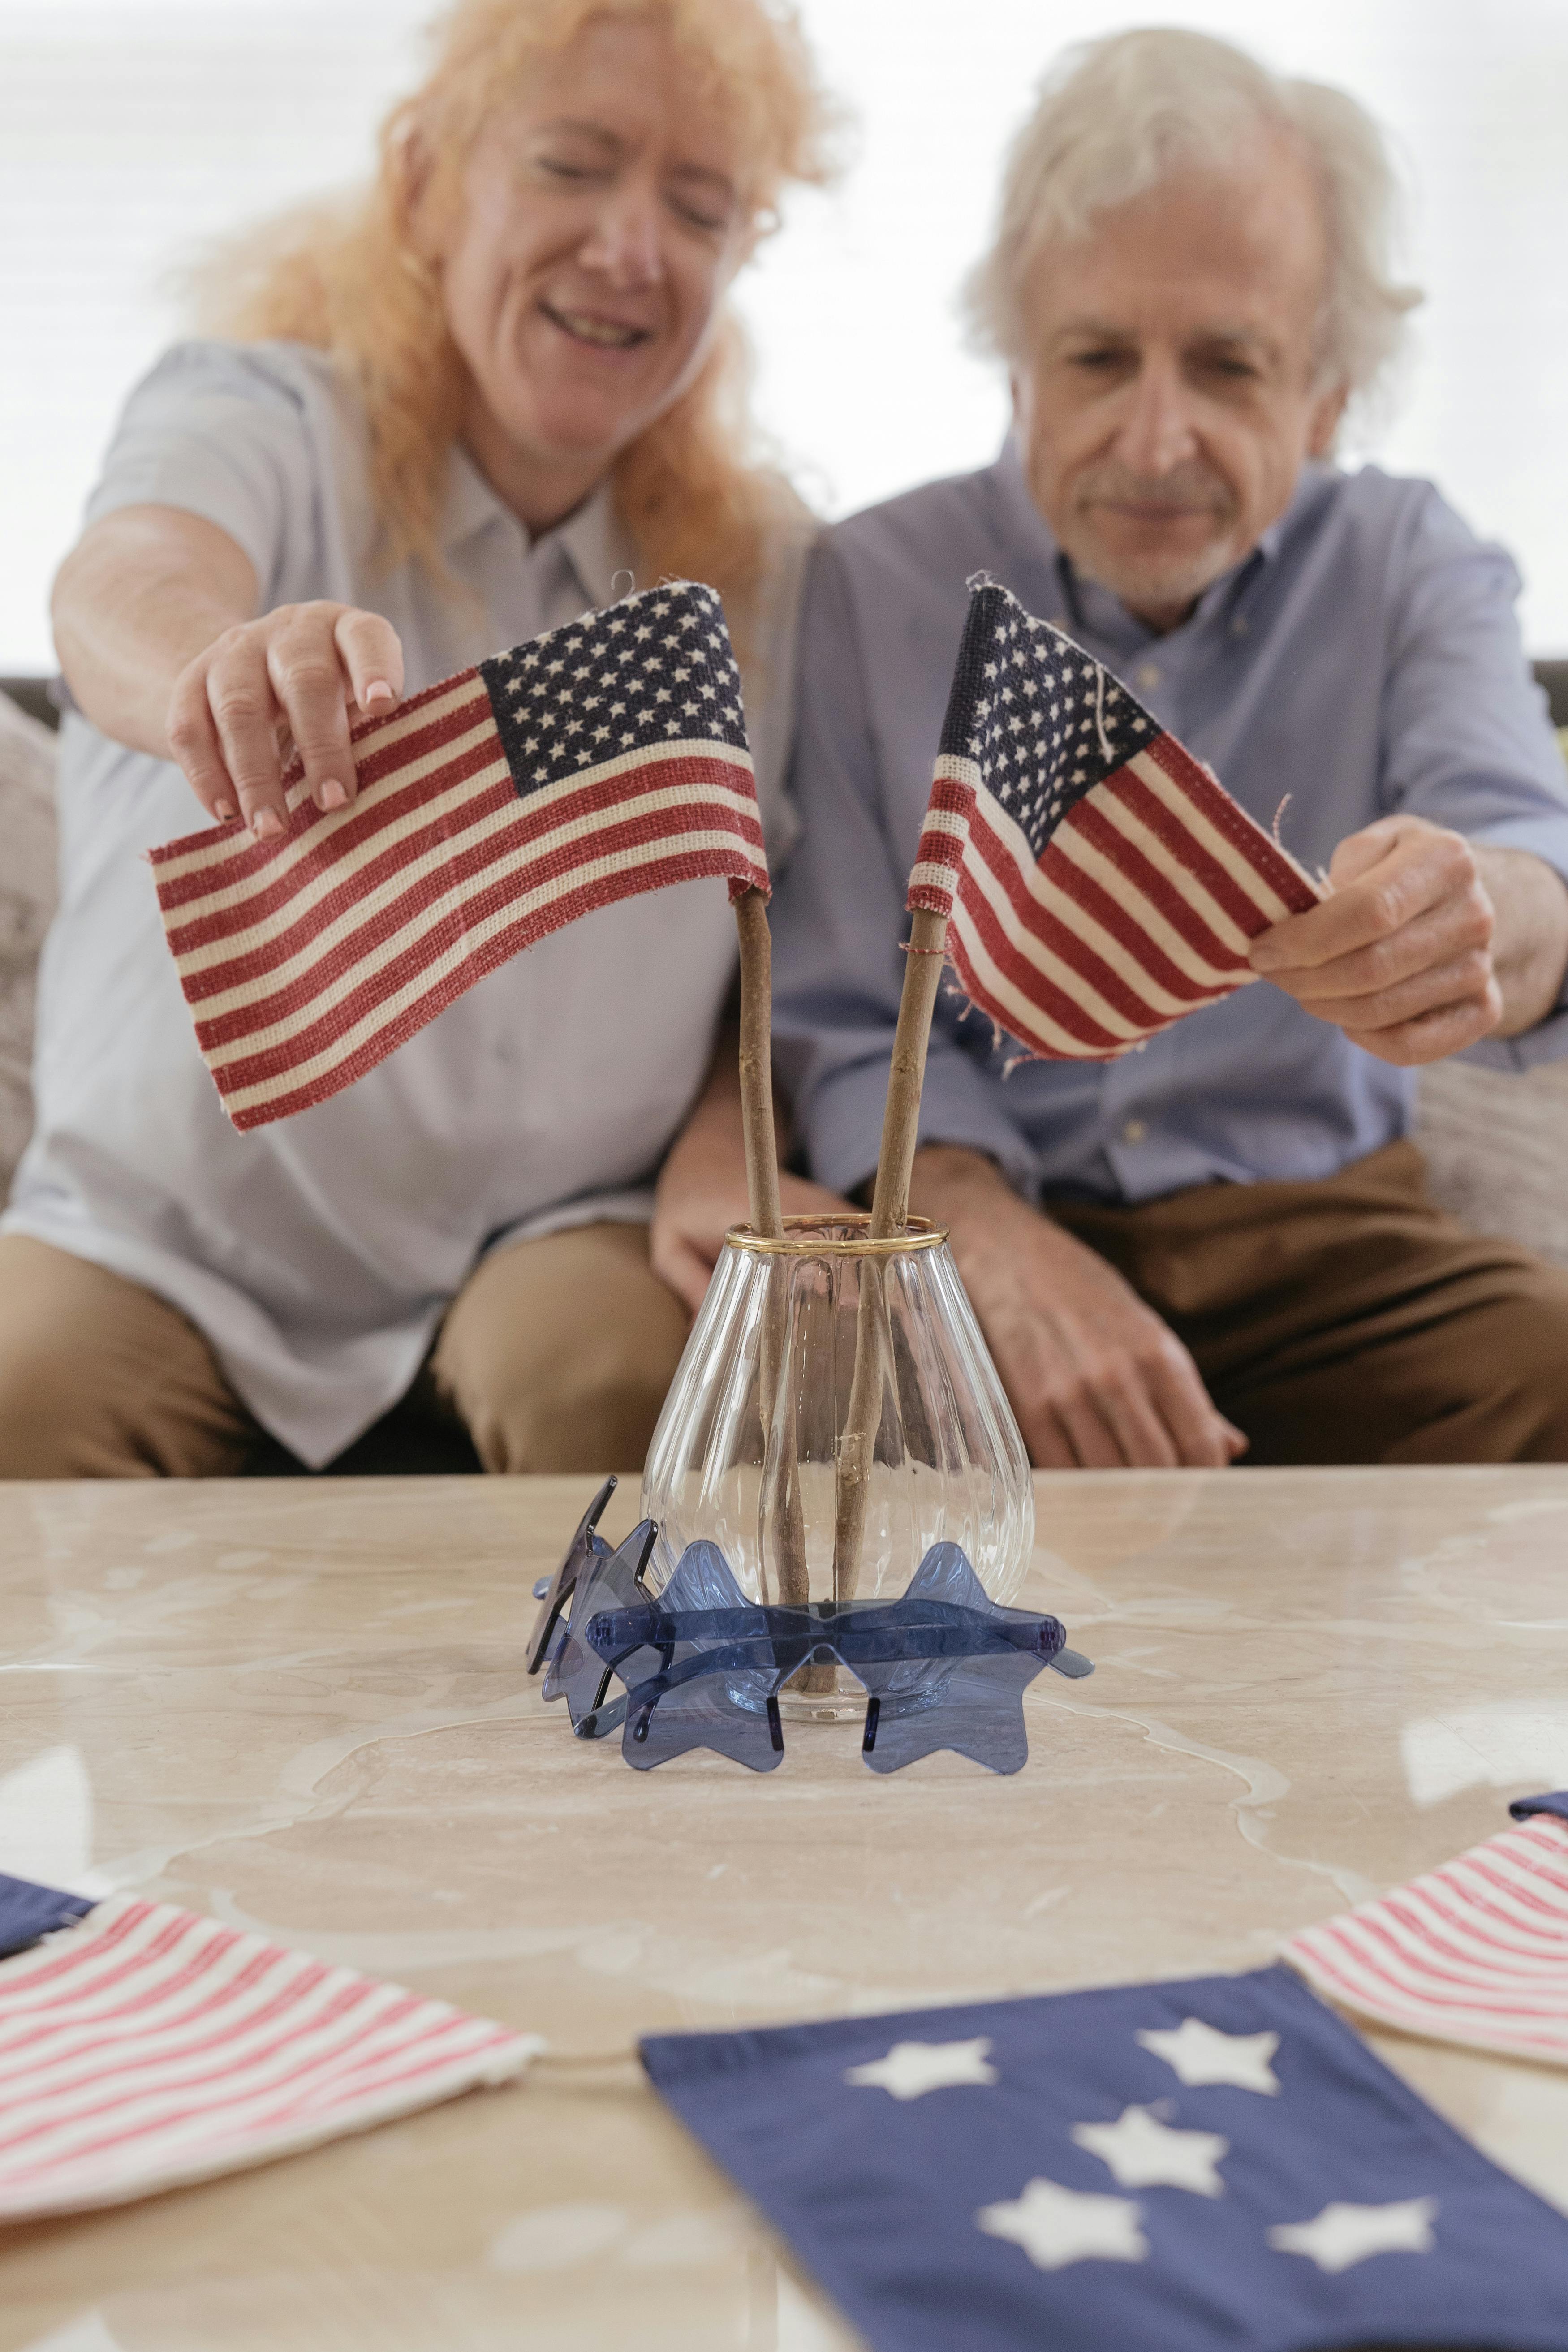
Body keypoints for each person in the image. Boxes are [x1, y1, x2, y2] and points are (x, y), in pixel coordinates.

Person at [0, 0, 842, 1480]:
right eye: (573, 166)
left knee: (637, 1397)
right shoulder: (257, 413)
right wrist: (222, 664)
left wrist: (730, 1129)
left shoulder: (760, 575)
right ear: (423, 186)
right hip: (171, 1243)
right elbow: (121, 578)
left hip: (548, 1230)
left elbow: (786, 933)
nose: (632, 247)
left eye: (697, 208)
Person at [769, 28, 1568, 1469]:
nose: (1153, 439)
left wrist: (1472, 915)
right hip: (971, 1222)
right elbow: (836, 1023)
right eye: (1095, 358)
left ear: (1324, 396)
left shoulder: (1406, 560)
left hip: (1329, 1241)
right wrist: (998, 1259)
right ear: (1017, 371)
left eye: (1226, 365)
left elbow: (1532, 874)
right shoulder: (866, 586)